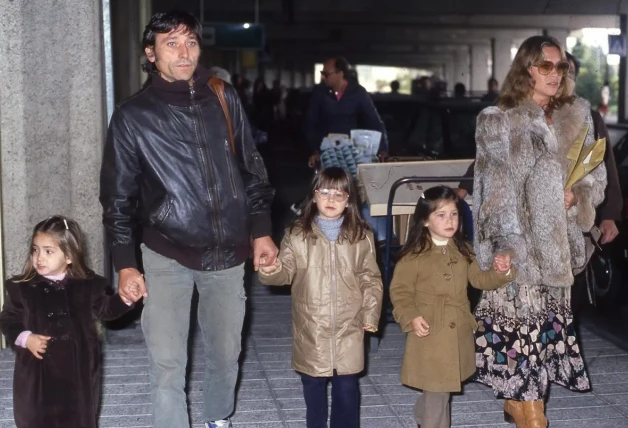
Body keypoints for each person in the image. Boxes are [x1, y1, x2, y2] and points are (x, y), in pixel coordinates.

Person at [99, 10, 277, 428]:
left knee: (226, 352)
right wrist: (125, 263)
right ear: (151, 54)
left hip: (228, 250)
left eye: (191, 42)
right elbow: (117, 198)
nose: (184, 52)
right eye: (171, 43)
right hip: (166, 251)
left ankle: (219, 418)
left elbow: (252, 167)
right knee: (167, 361)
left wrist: (262, 230)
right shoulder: (132, 116)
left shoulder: (223, 97)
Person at [473, 36, 606, 427]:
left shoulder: (580, 117)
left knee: (544, 336)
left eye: (560, 66)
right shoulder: (500, 120)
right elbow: (491, 190)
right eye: (545, 66)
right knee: (522, 335)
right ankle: (531, 410)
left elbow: (595, 176)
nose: (554, 74)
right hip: (522, 247)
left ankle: (519, 403)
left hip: (560, 247)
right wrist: (505, 248)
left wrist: (578, 196)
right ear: (526, 68)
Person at [258, 167, 383, 428]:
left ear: (349, 200)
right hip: (312, 327)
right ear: (313, 196)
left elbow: (370, 279)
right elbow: (285, 271)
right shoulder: (297, 234)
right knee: (313, 387)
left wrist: (370, 314)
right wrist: (271, 270)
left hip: (349, 326)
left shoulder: (361, 236)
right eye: (324, 192)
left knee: (347, 388)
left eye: (339, 194)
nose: (331, 199)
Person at [389, 186, 514, 428]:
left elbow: (480, 279)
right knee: (439, 386)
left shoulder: (464, 249)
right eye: (441, 215)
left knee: (438, 387)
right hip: (429, 330)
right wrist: (411, 316)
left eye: (454, 214)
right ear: (425, 221)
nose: (450, 220)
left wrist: (502, 271)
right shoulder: (414, 256)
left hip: (457, 330)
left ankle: (423, 415)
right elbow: (400, 291)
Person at [0, 216, 133, 428]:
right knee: (35, 418)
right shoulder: (22, 288)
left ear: (69, 256)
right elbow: (8, 318)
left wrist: (124, 299)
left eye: (48, 251)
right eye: (35, 250)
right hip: (37, 371)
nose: (39, 258)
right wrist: (26, 338)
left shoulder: (87, 285)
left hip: (77, 369)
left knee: (78, 417)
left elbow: (106, 310)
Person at [305, 56, 389, 168]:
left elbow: (374, 121)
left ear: (340, 73)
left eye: (326, 74)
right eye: (322, 73)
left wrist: (383, 149)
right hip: (326, 152)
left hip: (353, 153)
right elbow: (311, 123)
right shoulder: (319, 93)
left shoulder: (358, 93)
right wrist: (314, 150)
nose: (323, 77)